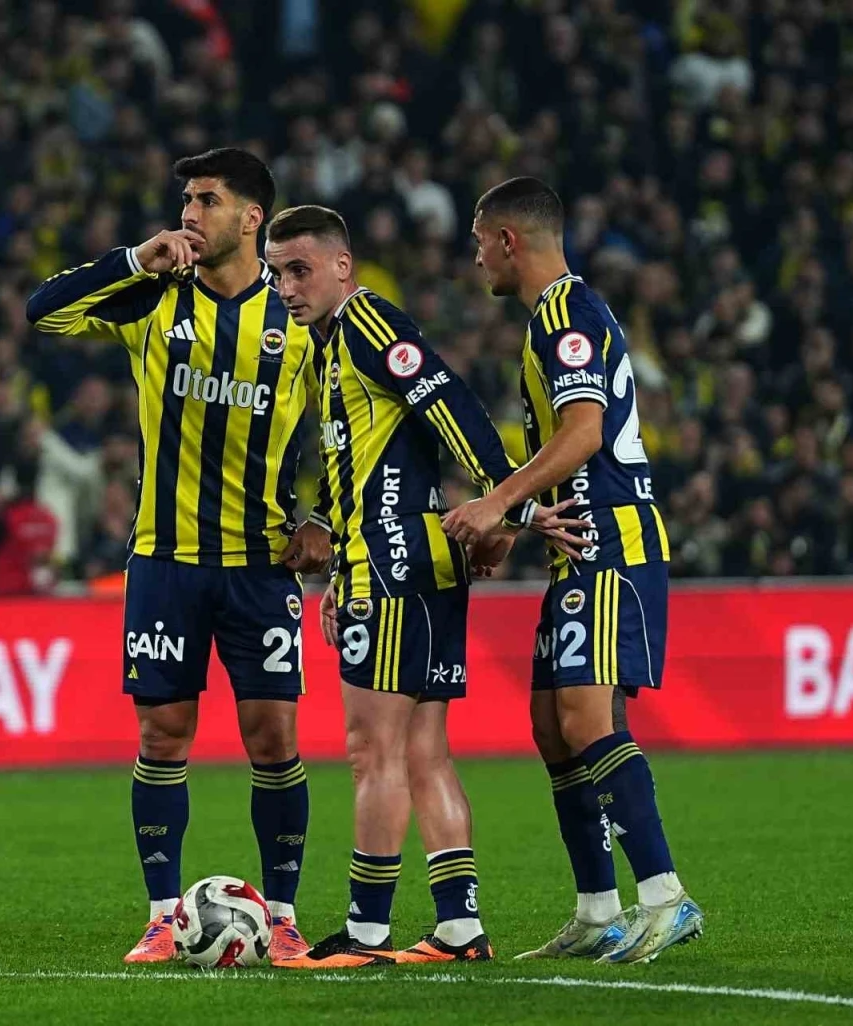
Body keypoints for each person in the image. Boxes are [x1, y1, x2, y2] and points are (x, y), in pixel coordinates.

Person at [26, 149, 332, 964]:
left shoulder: (298, 317)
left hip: (261, 562)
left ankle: (285, 917)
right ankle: (164, 915)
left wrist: (326, 520)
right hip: (165, 558)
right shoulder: (156, 296)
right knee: (163, 735)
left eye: (207, 199)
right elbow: (43, 313)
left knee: (273, 738)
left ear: (252, 218)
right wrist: (135, 259)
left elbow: (348, 426)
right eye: (187, 199)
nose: (190, 213)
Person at [263, 204, 586, 969]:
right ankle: (459, 927)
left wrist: (508, 503)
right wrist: (335, 546)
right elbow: (361, 464)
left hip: (393, 566)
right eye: (276, 275)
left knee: (370, 751)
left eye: (300, 270)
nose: (286, 288)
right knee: (422, 751)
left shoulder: (369, 324)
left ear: (343, 266)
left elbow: (450, 403)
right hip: (416, 564)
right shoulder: (328, 348)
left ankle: (366, 934)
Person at [443, 177, 703, 965]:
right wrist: (519, 522)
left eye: (480, 241)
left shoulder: (566, 315)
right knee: (553, 728)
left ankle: (665, 895)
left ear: (509, 240)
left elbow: (585, 432)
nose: (476, 257)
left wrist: (497, 502)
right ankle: (598, 911)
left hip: (613, 546)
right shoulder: (554, 318)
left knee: (590, 721)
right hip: (578, 548)